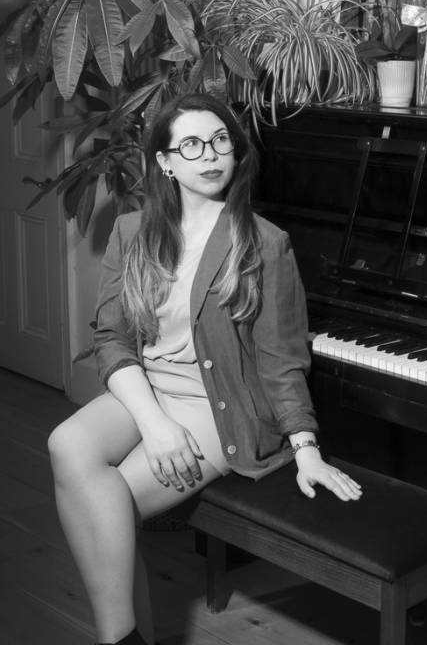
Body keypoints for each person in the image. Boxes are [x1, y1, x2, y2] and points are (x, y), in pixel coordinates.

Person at [47, 93, 362, 645]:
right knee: (65, 444)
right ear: (165, 162)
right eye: (190, 145)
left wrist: (306, 448)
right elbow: (112, 339)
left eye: (220, 141)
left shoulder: (264, 242)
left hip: (218, 404)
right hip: (147, 391)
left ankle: (119, 639)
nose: (210, 155)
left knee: (106, 505)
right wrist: (155, 424)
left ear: (236, 153)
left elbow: (282, 359)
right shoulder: (131, 231)